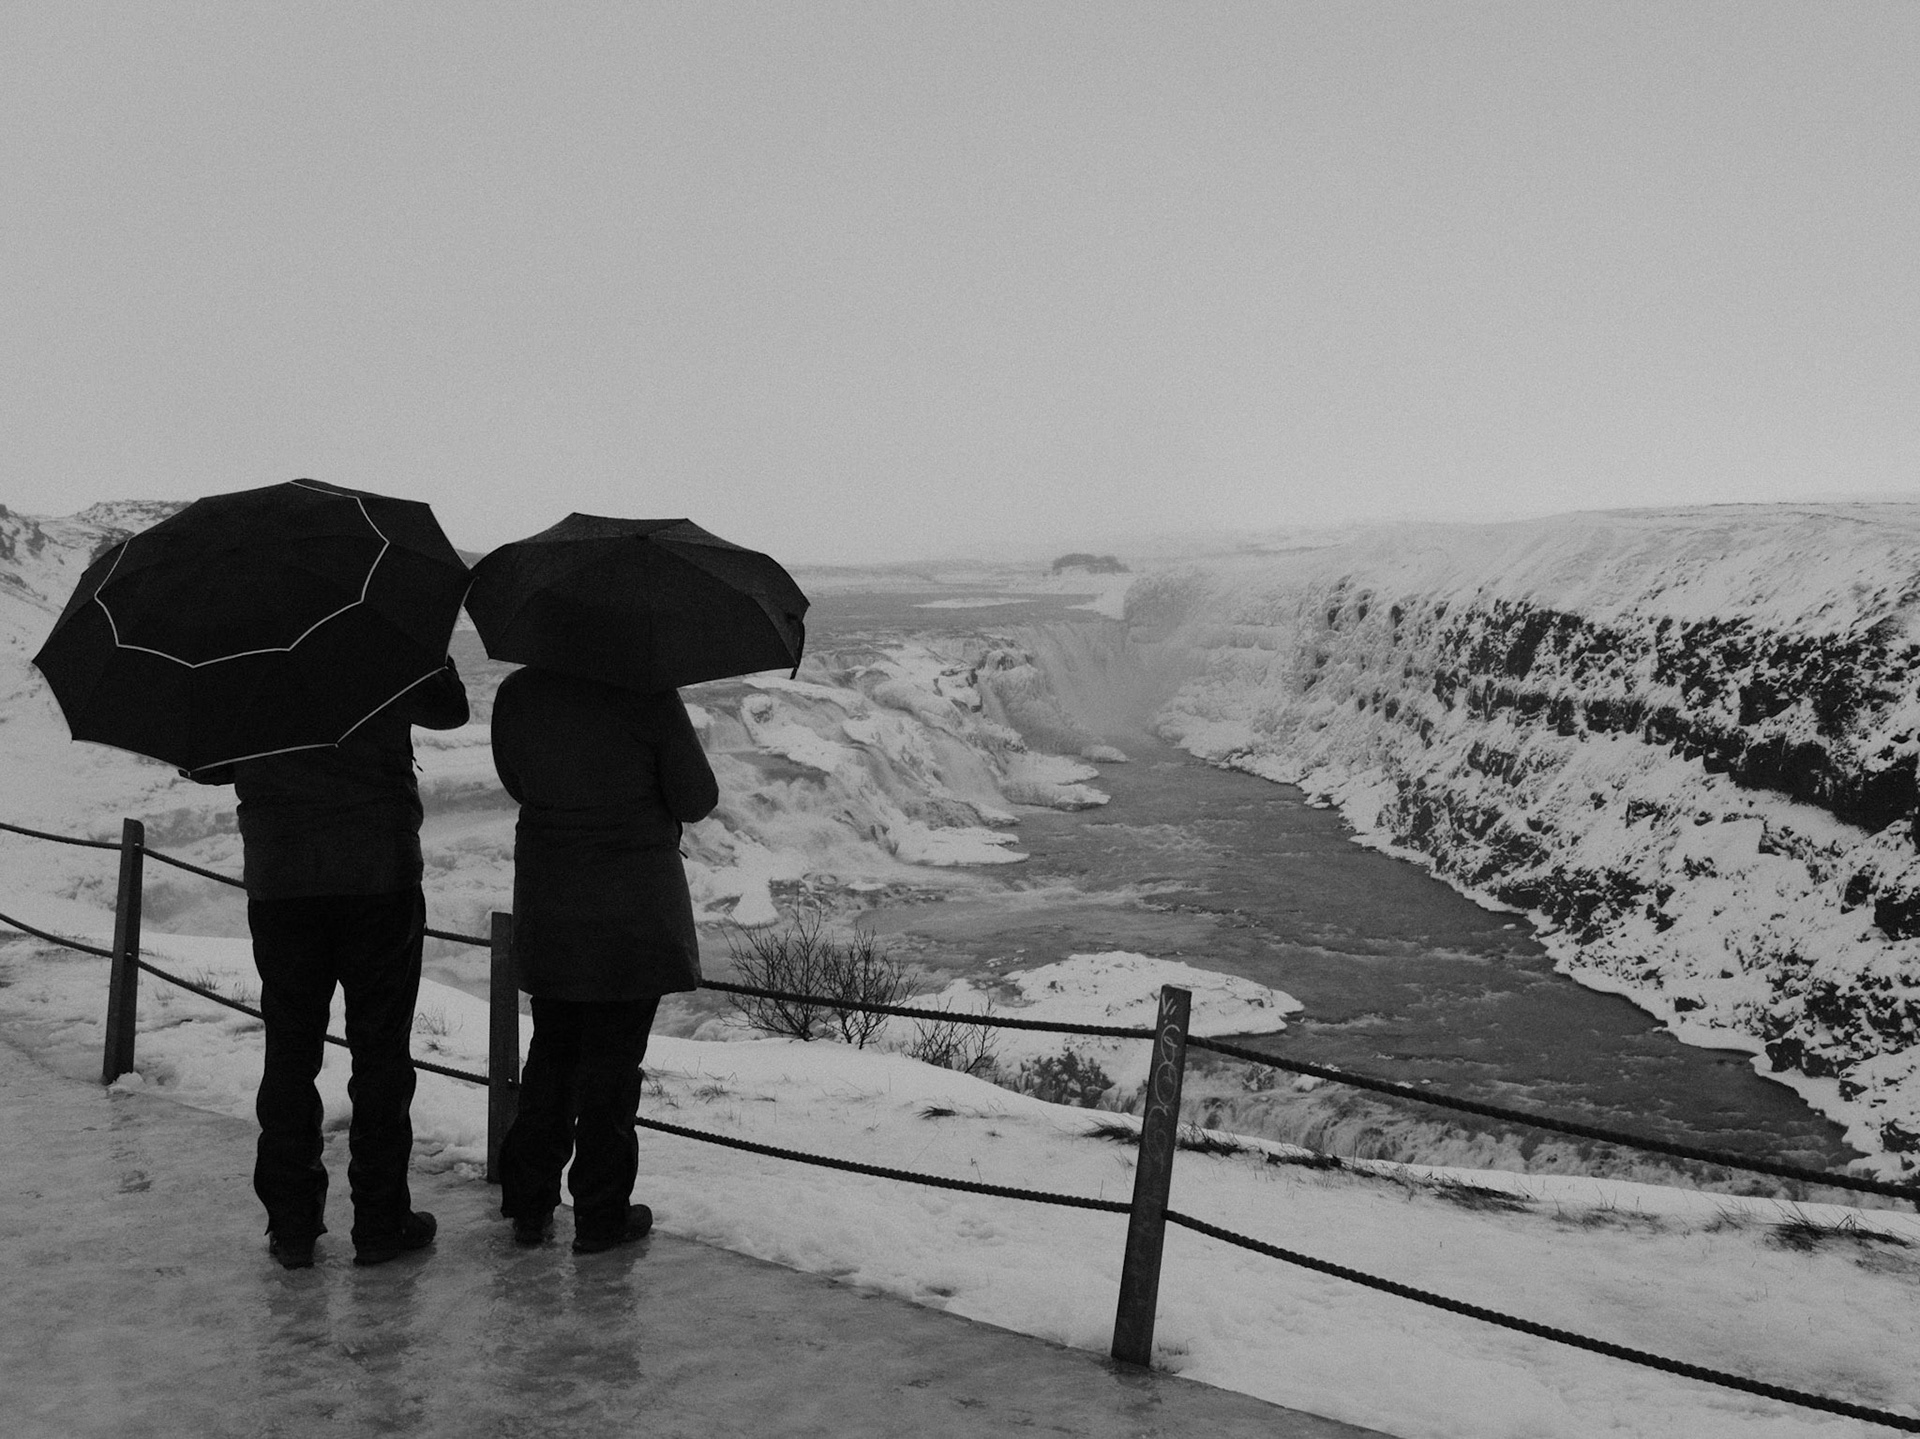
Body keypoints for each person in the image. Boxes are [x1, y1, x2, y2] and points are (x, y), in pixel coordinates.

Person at [191, 658, 468, 1269]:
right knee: (381, 1052)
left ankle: (292, 1225)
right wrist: (424, 646)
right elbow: (451, 710)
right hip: (379, 872)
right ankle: (380, 1219)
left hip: (282, 878)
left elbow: (204, 764)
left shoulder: (240, 651)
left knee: (289, 1050)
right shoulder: (374, 632)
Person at [490, 665, 718, 1253]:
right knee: (612, 1070)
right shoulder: (646, 693)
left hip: (550, 901)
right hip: (630, 915)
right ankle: (599, 1214)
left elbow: (518, 783)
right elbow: (697, 798)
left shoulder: (517, 693)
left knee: (552, 1055)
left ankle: (528, 1203)